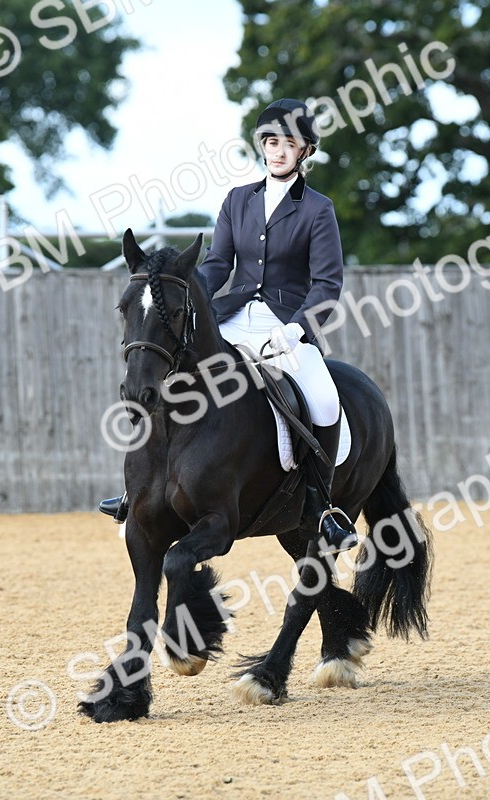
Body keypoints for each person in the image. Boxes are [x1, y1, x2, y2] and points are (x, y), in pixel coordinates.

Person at [100, 98, 358, 554]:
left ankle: (321, 508)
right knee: (176, 378)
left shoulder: (318, 209)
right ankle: (138, 490)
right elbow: (219, 262)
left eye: (289, 144)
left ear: (305, 151)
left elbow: (327, 283)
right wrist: (187, 288)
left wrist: (298, 329)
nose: (278, 151)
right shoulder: (239, 199)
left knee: (323, 399)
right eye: (271, 142)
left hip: (286, 325)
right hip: (232, 318)